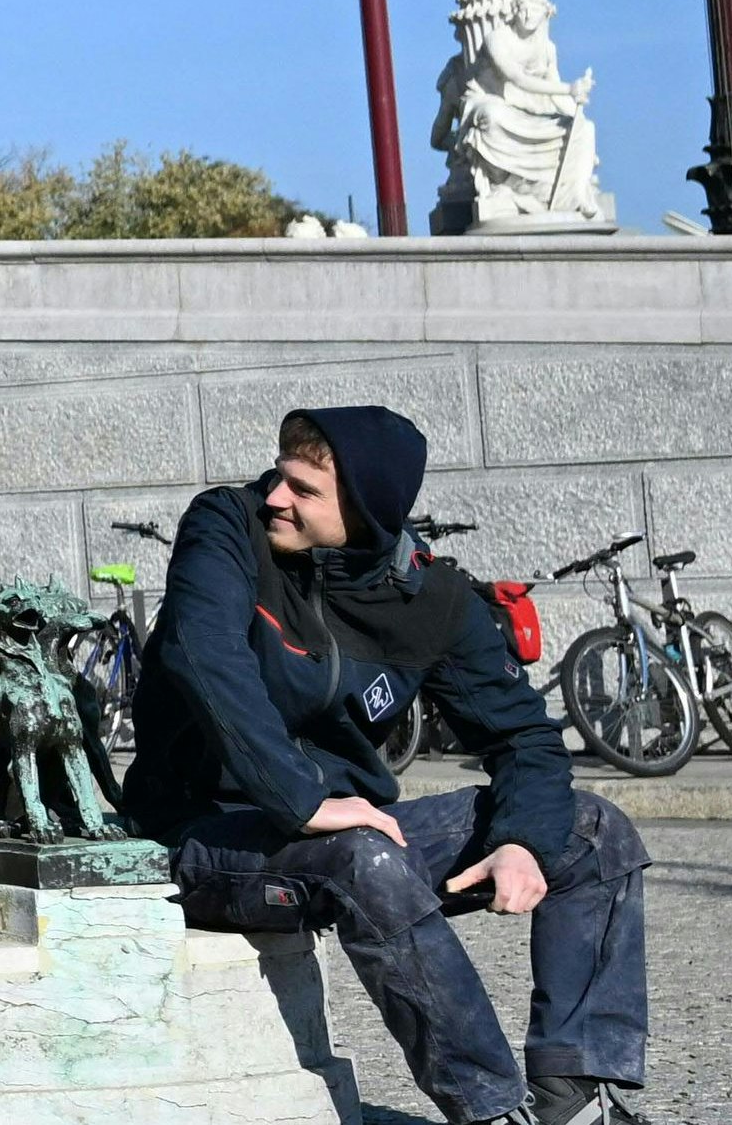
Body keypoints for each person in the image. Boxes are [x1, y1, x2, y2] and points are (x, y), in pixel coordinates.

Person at [121, 406, 652, 1125]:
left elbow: (525, 737)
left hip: (349, 830)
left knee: (592, 830)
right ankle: (492, 1111)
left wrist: (520, 840)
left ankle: (575, 1100)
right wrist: (302, 800)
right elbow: (202, 652)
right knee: (360, 856)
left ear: (366, 512)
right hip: (206, 837)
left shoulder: (432, 600)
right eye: (281, 477)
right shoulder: (227, 526)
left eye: (304, 491)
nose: (277, 496)